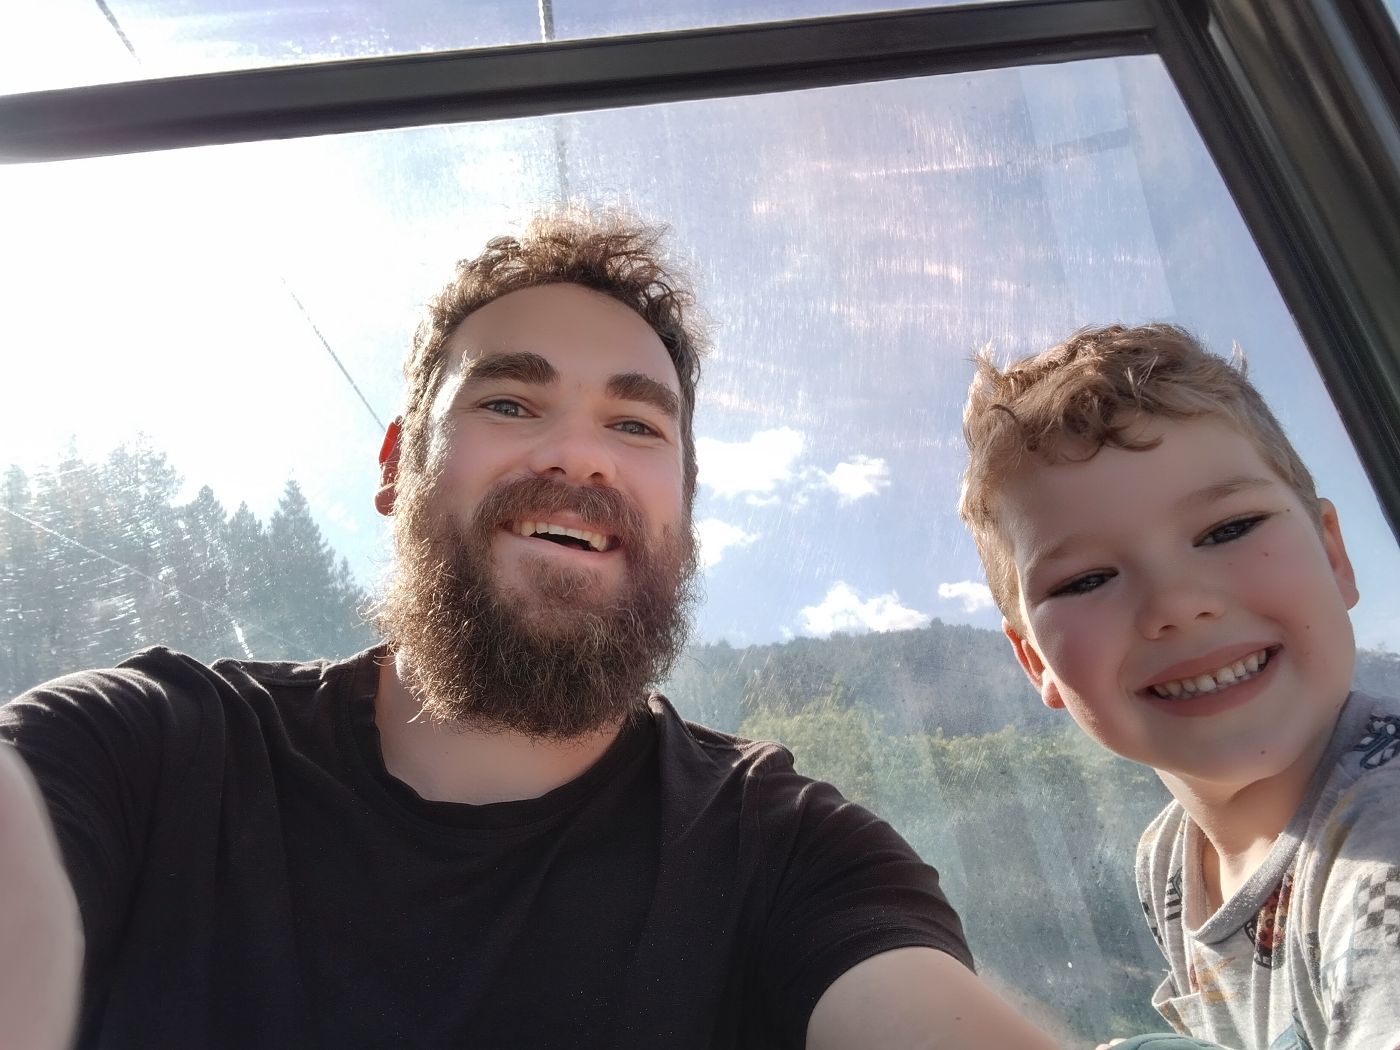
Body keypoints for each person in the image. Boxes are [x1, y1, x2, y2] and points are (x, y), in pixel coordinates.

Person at [0, 209, 1057, 1049]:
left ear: (685, 512)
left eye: (635, 424)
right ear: (396, 466)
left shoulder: (791, 854)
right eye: (509, 403)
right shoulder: (139, 755)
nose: (579, 456)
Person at [958, 323, 1400, 1050]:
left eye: (1228, 530)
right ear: (1037, 663)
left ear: (1334, 556)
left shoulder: (1384, 849)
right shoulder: (1168, 859)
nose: (1176, 604)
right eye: (1086, 581)